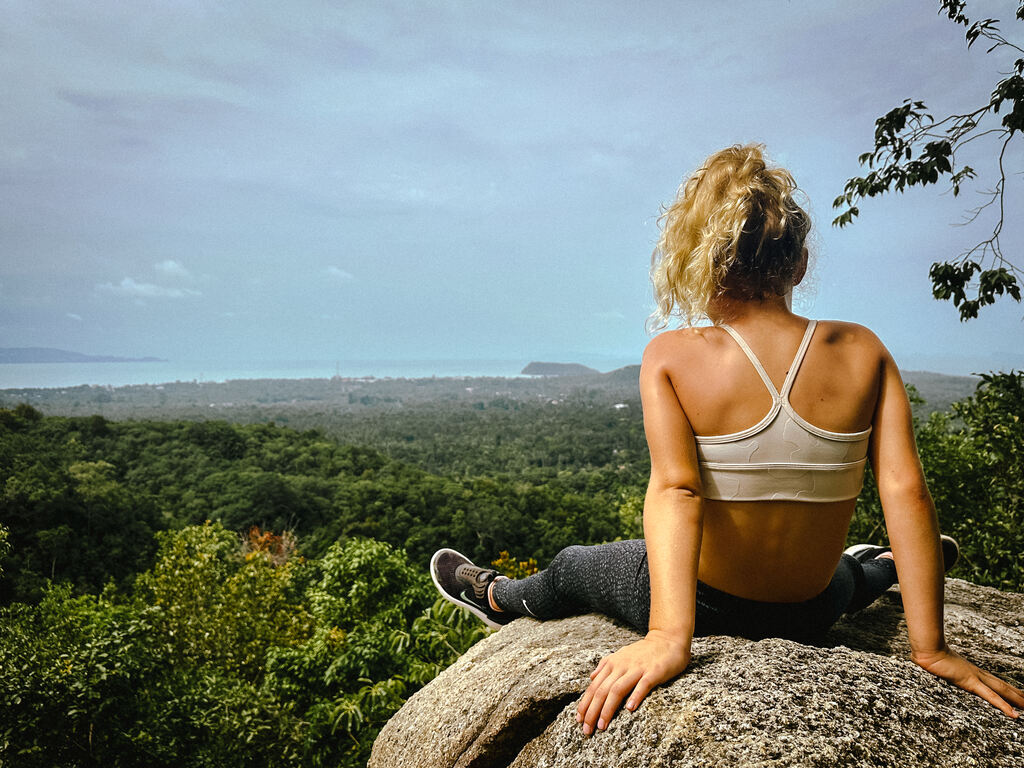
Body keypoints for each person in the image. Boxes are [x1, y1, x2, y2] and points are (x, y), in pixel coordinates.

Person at [430, 144, 1024, 736]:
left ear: (698, 261)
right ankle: (888, 567)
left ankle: (498, 597)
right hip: (812, 610)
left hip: (712, 607)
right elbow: (906, 492)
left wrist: (667, 635)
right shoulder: (863, 349)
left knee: (575, 566)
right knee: (848, 581)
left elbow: (677, 492)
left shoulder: (672, 356)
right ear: (798, 264)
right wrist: (932, 650)